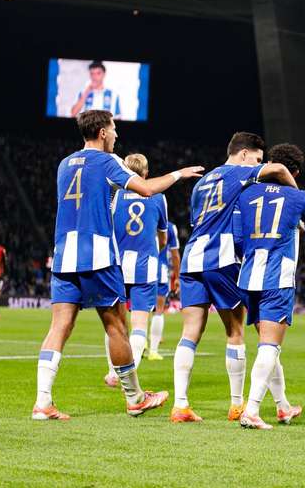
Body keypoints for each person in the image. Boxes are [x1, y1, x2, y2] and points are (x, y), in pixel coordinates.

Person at [32, 109, 202, 420]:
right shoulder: (109, 162)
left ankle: (43, 402)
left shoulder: (64, 164)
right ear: (101, 133)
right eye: (113, 130)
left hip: (63, 254)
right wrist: (179, 174)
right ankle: (135, 397)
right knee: (117, 326)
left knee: (59, 326)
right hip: (97, 255)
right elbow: (148, 189)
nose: (116, 135)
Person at [170, 132, 297, 424]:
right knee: (237, 331)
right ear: (243, 155)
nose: (258, 166)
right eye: (256, 159)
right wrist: (295, 197)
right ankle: (238, 405)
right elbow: (278, 169)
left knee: (190, 333)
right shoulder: (239, 173)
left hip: (192, 258)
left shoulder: (202, 182)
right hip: (221, 257)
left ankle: (180, 405)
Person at [236, 143, 305, 430]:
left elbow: (237, 238)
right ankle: (252, 410)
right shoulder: (301, 197)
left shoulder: (245, 194)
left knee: (266, 347)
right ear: (294, 172)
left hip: (248, 277)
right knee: (270, 347)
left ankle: (283, 407)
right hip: (277, 277)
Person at [103, 153, 168, 387]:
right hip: (145, 266)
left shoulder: (115, 195)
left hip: (117, 265)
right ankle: (127, 376)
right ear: (146, 174)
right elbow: (163, 236)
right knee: (140, 323)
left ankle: (112, 371)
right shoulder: (158, 197)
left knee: (114, 321)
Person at [148, 221, 180, 360]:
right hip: (159, 270)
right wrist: (177, 277)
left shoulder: (144, 219)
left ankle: (140, 341)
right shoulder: (170, 227)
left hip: (140, 267)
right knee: (159, 310)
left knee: (139, 309)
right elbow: (175, 254)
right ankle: (153, 351)